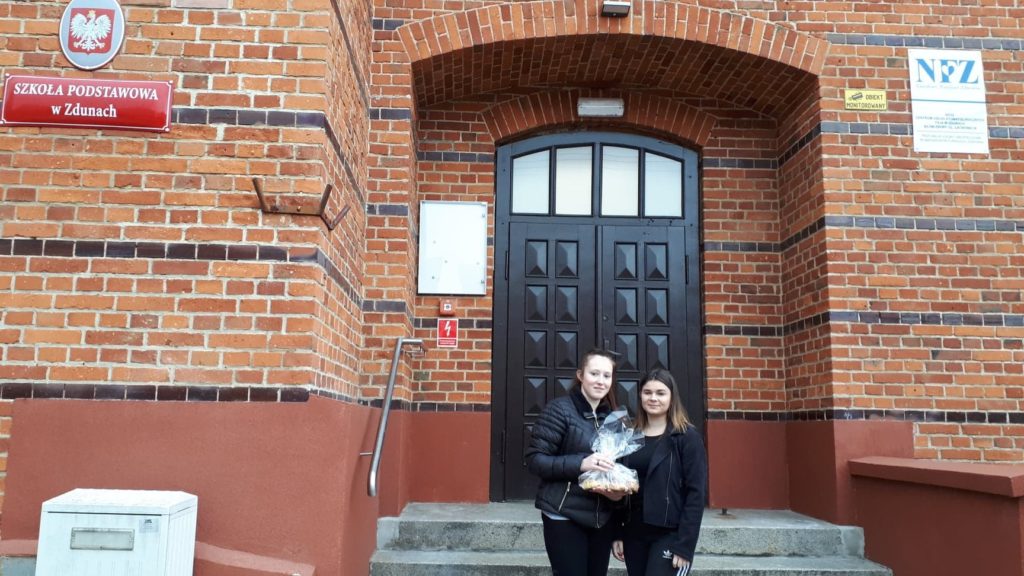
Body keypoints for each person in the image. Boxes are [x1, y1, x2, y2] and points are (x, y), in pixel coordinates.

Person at [525, 348, 625, 576]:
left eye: (606, 375)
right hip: (564, 515)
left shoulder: (612, 418)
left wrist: (617, 496)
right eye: (594, 373)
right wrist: (581, 463)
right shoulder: (559, 410)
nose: (600, 381)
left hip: (601, 519)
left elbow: (617, 469)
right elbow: (535, 460)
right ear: (580, 375)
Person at [612, 368, 707, 576]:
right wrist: (617, 532)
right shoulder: (629, 436)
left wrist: (685, 545)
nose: (653, 398)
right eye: (647, 392)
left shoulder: (686, 437)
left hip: (670, 535)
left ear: (672, 397)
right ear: (640, 396)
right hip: (634, 532)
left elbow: (696, 494)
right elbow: (619, 486)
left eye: (660, 393)